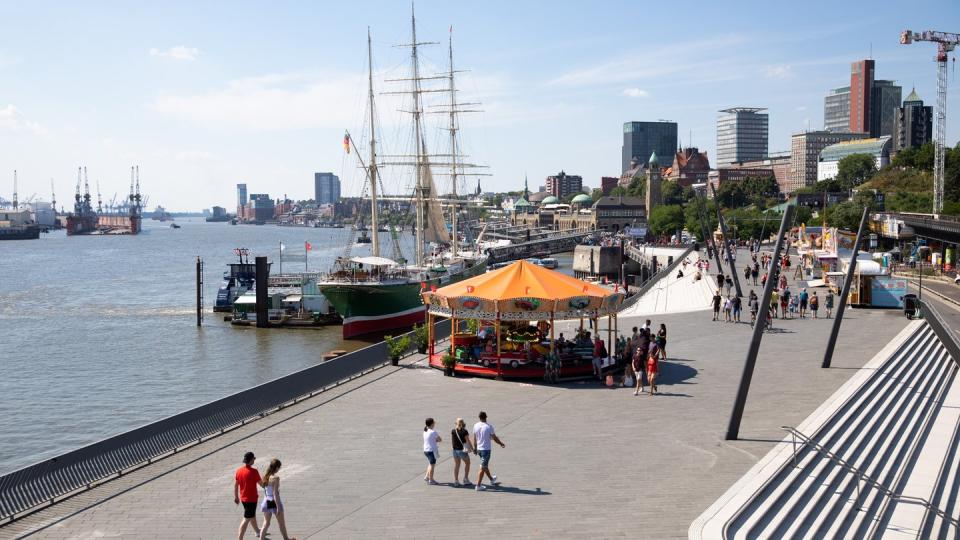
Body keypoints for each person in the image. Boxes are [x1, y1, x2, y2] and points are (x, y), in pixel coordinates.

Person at [258, 459, 296, 540]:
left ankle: (261, 539)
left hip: (266, 500)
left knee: (266, 523)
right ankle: (286, 539)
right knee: (281, 523)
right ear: (277, 468)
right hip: (273, 501)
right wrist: (278, 506)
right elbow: (275, 493)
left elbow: (265, 489)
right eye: (279, 467)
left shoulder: (265, 476)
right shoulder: (276, 478)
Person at [473, 411, 505, 491]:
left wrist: (475, 448)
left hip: (479, 449)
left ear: (479, 417)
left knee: (484, 465)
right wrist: (501, 443)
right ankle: (478, 485)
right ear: (486, 417)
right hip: (486, 450)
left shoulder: (475, 425)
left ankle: (491, 479)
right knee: (482, 467)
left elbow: (474, 438)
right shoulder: (489, 426)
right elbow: (494, 437)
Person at [234, 452, 262, 540]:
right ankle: (240, 538)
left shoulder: (239, 471)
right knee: (246, 519)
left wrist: (236, 497)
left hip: (243, 499)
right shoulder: (254, 472)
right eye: (254, 458)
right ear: (250, 460)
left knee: (251, 515)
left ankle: (257, 531)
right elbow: (261, 484)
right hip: (252, 499)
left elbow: (236, 485)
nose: (254, 460)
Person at [451, 418, 473, 487]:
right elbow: (468, 441)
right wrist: (472, 448)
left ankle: (456, 481)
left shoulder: (453, 431)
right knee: (468, 463)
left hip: (455, 450)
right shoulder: (464, 431)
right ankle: (465, 479)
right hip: (462, 450)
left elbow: (453, 441)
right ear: (463, 423)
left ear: (456, 423)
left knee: (457, 465)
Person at [423, 418, 441, 485]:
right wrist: (435, 440)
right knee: (432, 465)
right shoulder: (433, 432)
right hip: (431, 450)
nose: (435, 423)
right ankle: (431, 479)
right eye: (434, 422)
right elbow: (439, 439)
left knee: (430, 463)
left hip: (425, 450)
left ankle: (427, 476)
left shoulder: (425, 430)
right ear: (432, 423)